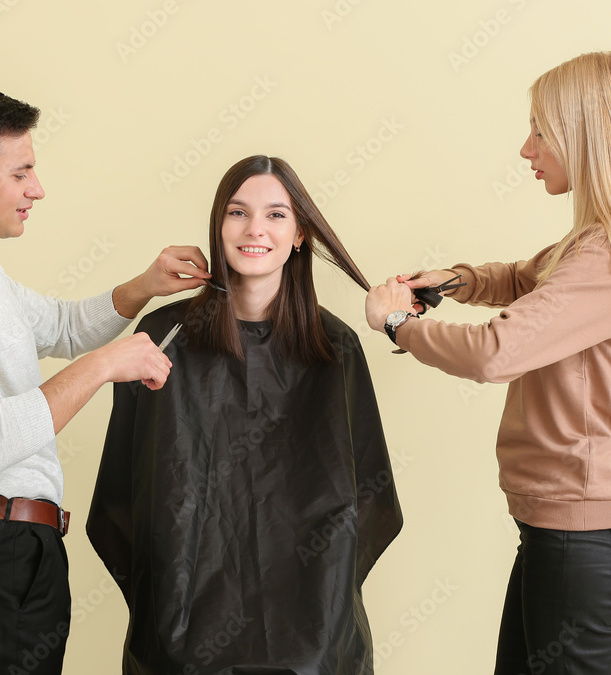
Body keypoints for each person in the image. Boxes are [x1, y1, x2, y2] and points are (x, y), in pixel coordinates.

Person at [365, 52, 611, 674]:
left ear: (586, 137)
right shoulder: (599, 241)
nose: (526, 148)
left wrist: (399, 324)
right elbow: (525, 277)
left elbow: (496, 353)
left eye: (541, 130)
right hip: (570, 531)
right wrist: (455, 280)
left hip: (584, 535)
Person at [0, 85, 212, 675]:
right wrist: (106, 365)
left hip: (10, 550)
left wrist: (142, 286)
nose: (38, 188)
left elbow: (58, 325)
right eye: (22, 171)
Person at [87, 155, 403, 674]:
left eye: (276, 215)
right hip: (181, 633)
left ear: (300, 234)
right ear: (218, 226)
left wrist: (324, 606)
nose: (255, 229)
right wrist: (167, 598)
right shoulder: (164, 339)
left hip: (313, 631)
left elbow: (368, 500)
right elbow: (123, 497)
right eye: (238, 212)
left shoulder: (335, 348)